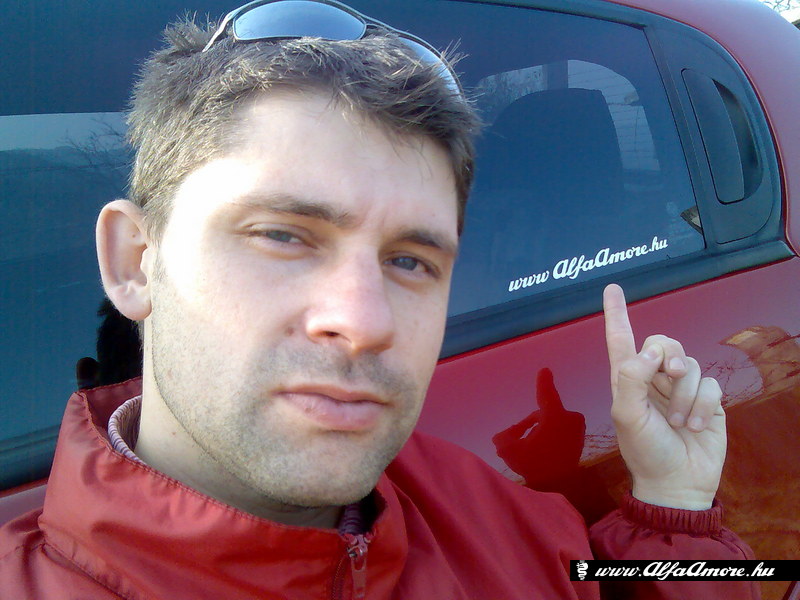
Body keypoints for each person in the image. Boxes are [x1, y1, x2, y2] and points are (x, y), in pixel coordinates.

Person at [0, 1, 759, 598]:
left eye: (408, 260)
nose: (364, 322)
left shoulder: (492, 512)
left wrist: (675, 510)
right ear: (135, 262)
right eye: (283, 235)